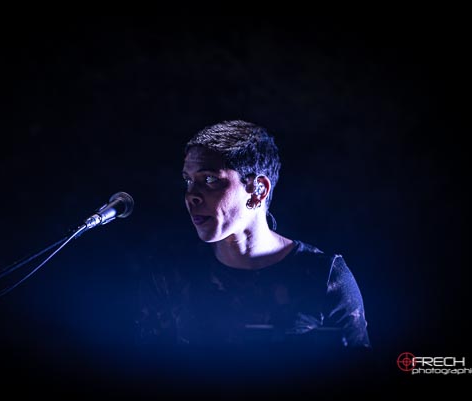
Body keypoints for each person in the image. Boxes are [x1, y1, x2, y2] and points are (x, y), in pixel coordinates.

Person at [134, 120, 371, 350]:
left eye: (209, 179)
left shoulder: (324, 276)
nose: (191, 195)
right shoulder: (171, 272)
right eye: (188, 180)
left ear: (258, 190)